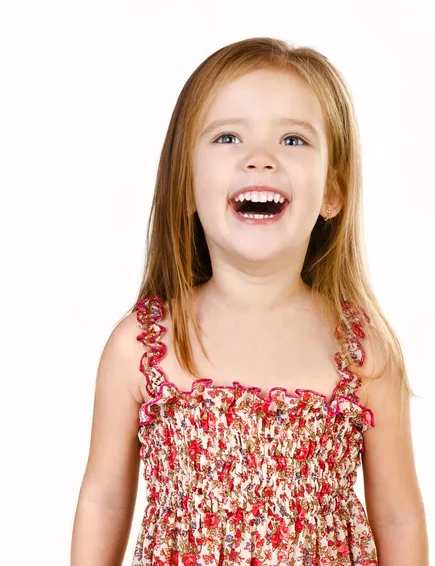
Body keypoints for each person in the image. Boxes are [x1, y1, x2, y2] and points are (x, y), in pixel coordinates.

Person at [70, 37, 429, 565]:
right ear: (187, 185)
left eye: (292, 141)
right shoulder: (141, 346)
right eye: (228, 137)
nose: (259, 159)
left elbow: (399, 516)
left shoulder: (364, 353)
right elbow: (103, 501)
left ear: (333, 191)